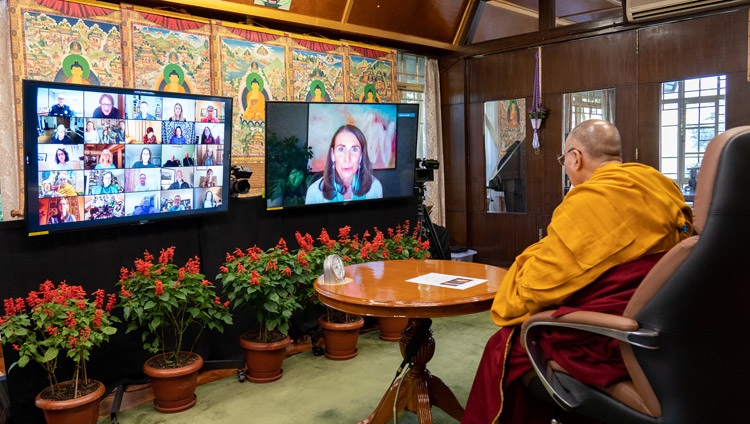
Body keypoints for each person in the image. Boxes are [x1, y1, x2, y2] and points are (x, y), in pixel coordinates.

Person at [461, 119, 694, 424]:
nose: (567, 168)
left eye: (564, 161)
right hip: (667, 323)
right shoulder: (657, 183)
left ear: (575, 158)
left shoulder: (589, 202)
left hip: (612, 338)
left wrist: (523, 265)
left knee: (504, 345)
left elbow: (535, 289)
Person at [305, 124, 383, 204]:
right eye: (341, 149)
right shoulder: (314, 193)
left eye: (354, 150)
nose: (347, 158)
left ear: (361, 156)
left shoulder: (375, 187)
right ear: (333, 155)